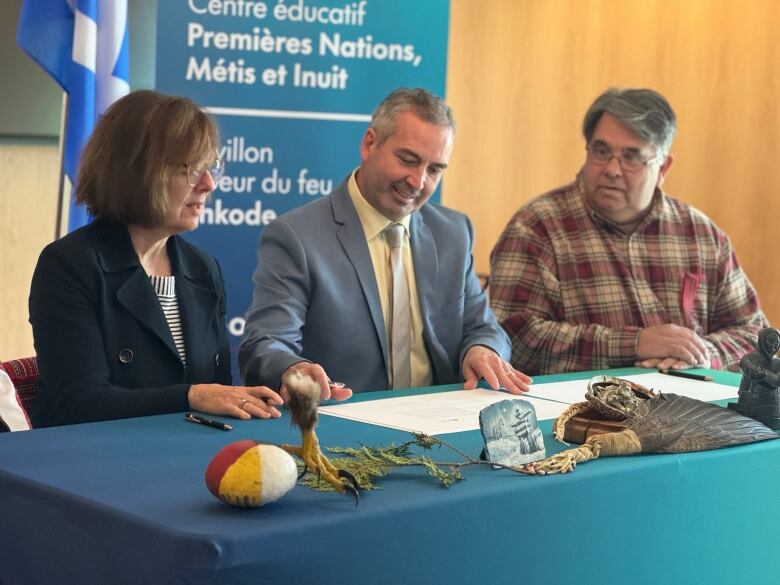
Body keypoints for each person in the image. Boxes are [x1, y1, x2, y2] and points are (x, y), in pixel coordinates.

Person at [239, 88, 531, 398]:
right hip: (345, 424)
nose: (418, 182)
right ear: (369, 144)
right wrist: (291, 368)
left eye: (434, 170)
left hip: (441, 423)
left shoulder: (453, 232)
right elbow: (266, 342)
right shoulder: (297, 236)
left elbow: (483, 327)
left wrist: (481, 349)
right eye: (408, 160)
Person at [29, 90, 284, 426]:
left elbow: (219, 391)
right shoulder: (68, 265)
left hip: (189, 456)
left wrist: (282, 387)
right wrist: (190, 396)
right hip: (92, 464)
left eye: (211, 167)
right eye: (189, 169)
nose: (208, 184)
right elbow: (81, 404)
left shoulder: (202, 269)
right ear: (137, 173)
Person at [489, 88, 768, 376]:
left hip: (693, 407)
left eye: (631, 157)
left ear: (663, 167)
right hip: (583, 412)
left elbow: (754, 334)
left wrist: (696, 352)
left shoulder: (701, 235)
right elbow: (513, 339)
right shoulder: (537, 227)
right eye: (601, 151)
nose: (612, 169)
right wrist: (633, 344)